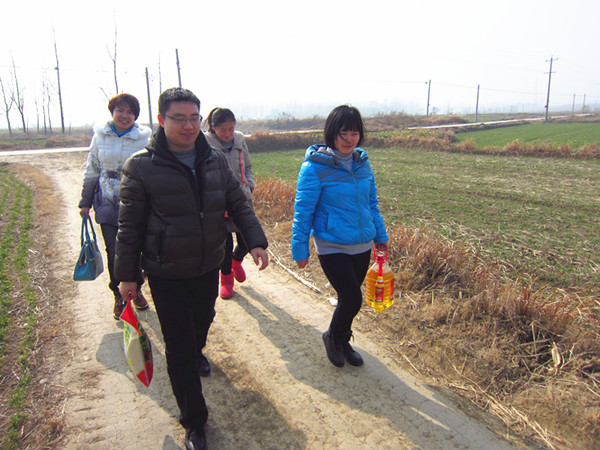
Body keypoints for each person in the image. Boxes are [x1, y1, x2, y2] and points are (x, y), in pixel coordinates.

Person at [115, 87, 269, 450]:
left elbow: (238, 203)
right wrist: (128, 276)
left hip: (207, 265)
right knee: (180, 348)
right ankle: (195, 422)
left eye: (193, 118)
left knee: (202, 321)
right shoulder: (141, 166)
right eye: (179, 118)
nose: (188, 126)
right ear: (161, 119)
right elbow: (129, 227)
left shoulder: (214, 159)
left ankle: (197, 348)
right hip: (166, 271)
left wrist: (256, 239)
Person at [291, 105, 389, 368]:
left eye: (354, 133)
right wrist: (300, 249)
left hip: (362, 244)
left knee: (350, 298)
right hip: (331, 244)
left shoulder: (362, 163)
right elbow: (303, 211)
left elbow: (371, 203)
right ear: (331, 134)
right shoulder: (314, 168)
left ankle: (342, 339)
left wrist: (380, 234)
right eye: (343, 133)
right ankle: (333, 337)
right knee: (353, 298)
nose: (349, 139)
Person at [78, 93, 151, 320]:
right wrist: (85, 201)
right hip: (107, 202)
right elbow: (92, 169)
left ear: (135, 116)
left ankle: (136, 288)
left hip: (137, 203)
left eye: (130, 112)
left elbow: (152, 171)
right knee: (114, 251)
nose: (125, 115)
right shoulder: (100, 136)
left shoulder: (144, 139)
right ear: (112, 112)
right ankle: (118, 296)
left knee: (138, 249)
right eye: (120, 110)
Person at [204, 107, 255, 299]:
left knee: (247, 240)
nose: (227, 133)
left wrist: (249, 185)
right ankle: (226, 279)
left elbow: (248, 166)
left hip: (241, 197)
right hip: (218, 201)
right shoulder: (204, 144)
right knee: (224, 244)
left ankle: (237, 261)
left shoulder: (240, 140)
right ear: (213, 127)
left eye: (231, 129)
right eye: (223, 129)